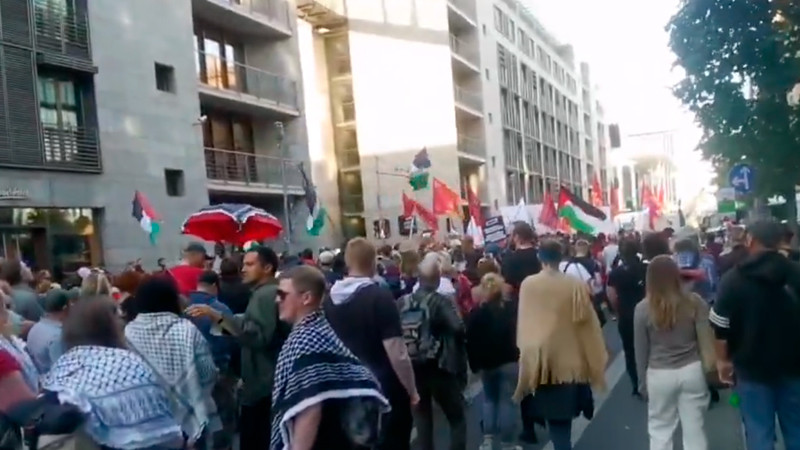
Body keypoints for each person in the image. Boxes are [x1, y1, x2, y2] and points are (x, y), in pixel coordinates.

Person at [270, 266, 389, 449]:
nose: (277, 300)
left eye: (282, 295)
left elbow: (309, 405)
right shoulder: (317, 330)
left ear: (306, 298)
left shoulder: (307, 340)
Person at [42, 297, 184, 449]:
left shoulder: (63, 365)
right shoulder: (128, 362)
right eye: (118, 318)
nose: (122, 322)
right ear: (109, 327)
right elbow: (162, 426)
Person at [186, 246, 288, 450]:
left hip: (263, 382)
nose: (243, 269)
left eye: (250, 264)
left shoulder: (265, 295)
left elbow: (255, 336)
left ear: (267, 268)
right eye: (244, 264)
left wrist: (217, 316)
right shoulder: (263, 293)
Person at [710, 220, 800, 450]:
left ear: (751, 240)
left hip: (751, 369)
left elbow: (720, 326)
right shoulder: (795, 273)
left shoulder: (733, 279)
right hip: (794, 366)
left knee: (759, 432)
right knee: (796, 429)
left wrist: (722, 361)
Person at [324, 238, 419, 450]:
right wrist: (411, 389)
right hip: (383, 388)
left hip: (346, 387)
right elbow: (396, 352)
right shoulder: (379, 297)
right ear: (373, 261)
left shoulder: (329, 301)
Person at [515, 239, 607, 450]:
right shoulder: (574, 284)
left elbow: (524, 324)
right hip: (570, 360)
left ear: (540, 257)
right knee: (562, 419)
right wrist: (593, 358)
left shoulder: (529, 285)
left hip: (543, 360)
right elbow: (587, 324)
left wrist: (526, 359)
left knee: (554, 417)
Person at [125, 276, 220, 449]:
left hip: (145, 421)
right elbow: (208, 372)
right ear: (172, 299)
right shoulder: (186, 330)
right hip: (188, 422)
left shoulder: (127, 333)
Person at [634, 256, 713, 450]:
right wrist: (710, 369)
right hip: (691, 369)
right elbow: (706, 340)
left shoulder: (642, 309)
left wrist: (642, 383)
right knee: (695, 427)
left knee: (660, 428)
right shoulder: (694, 302)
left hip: (659, 373)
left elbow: (641, 350)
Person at [399, 252, 468, 450]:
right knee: (456, 417)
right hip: (439, 365)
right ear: (437, 279)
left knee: (422, 418)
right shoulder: (440, 301)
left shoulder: (402, 302)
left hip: (413, 365)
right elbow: (458, 328)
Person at [466, 273, 519, 450]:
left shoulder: (477, 313)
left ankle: (487, 440)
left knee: (489, 400)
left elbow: (470, 341)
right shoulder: (511, 310)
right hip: (510, 360)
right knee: (507, 402)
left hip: (487, 364)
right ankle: (507, 443)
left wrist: (474, 364)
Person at [607, 239, 649, 398]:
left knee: (630, 351)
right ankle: (649, 380)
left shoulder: (615, 273)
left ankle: (636, 384)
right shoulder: (645, 268)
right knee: (649, 347)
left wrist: (618, 310)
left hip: (626, 314)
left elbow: (611, 295)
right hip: (645, 313)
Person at [26, 288, 71, 373]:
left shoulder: (35, 327)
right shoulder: (57, 337)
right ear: (65, 308)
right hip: (48, 378)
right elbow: (60, 370)